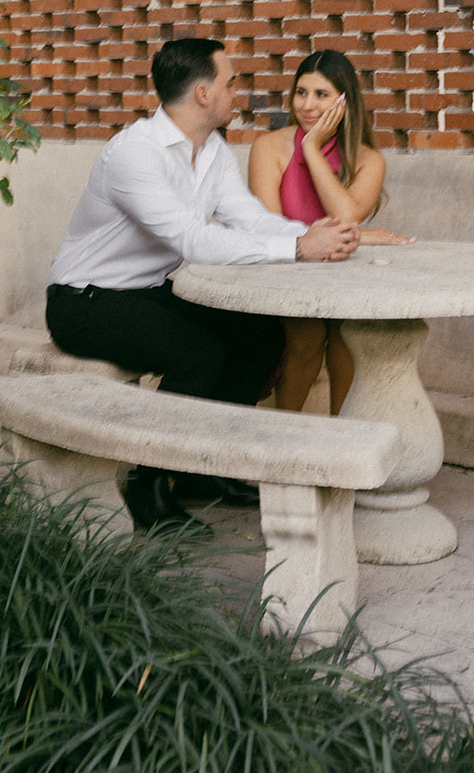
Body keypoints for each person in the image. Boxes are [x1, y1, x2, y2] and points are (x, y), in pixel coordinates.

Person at [46, 36, 361, 530]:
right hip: (83, 302)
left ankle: (201, 471)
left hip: (146, 293)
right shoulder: (135, 153)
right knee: (198, 353)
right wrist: (299, 249)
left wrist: (313, 234)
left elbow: (248, 219)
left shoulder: (210, 149)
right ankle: (148, 484)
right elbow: (192, 240)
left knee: (258, 336)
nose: (238, 91)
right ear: (202, 94)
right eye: (230, 82)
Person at [248, 49, 411, 415]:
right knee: (307, 335)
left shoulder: (368, 159)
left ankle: (341, 439)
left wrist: (312, 149)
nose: (307, 105)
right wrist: (362, 236)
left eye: (321, 95)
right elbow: (267, 228)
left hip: (340, 276)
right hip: (284, 272)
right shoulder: (268, 148)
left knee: (347, 334)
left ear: (344, 100)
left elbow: (346, 214)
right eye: (301, 92)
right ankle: (283, 436)